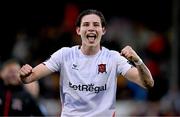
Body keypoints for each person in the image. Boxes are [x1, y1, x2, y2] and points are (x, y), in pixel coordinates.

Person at [19, 9, 154, 117]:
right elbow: (30, 77)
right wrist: (25, 74)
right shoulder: (64, 54)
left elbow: (147, 83)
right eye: (86, 24)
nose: (91, 28)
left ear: (103, 30)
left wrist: (138, 61)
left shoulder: (113, 58)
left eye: (96, 25)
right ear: (78, 30)